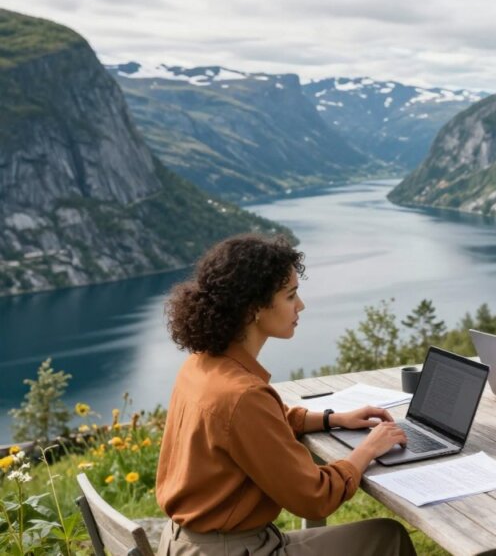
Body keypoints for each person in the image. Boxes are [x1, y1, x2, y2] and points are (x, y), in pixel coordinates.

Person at [156, 234, 415, 556]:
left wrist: (332, 419)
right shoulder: (243, 395)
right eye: (291, 295)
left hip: (187, 543)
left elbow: (254, 426)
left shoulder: (200, 365)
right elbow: (314, 498)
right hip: (232, 551)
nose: (301, 305)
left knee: (382, 535)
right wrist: (369, 449)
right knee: (387, 538)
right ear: (254, 309)